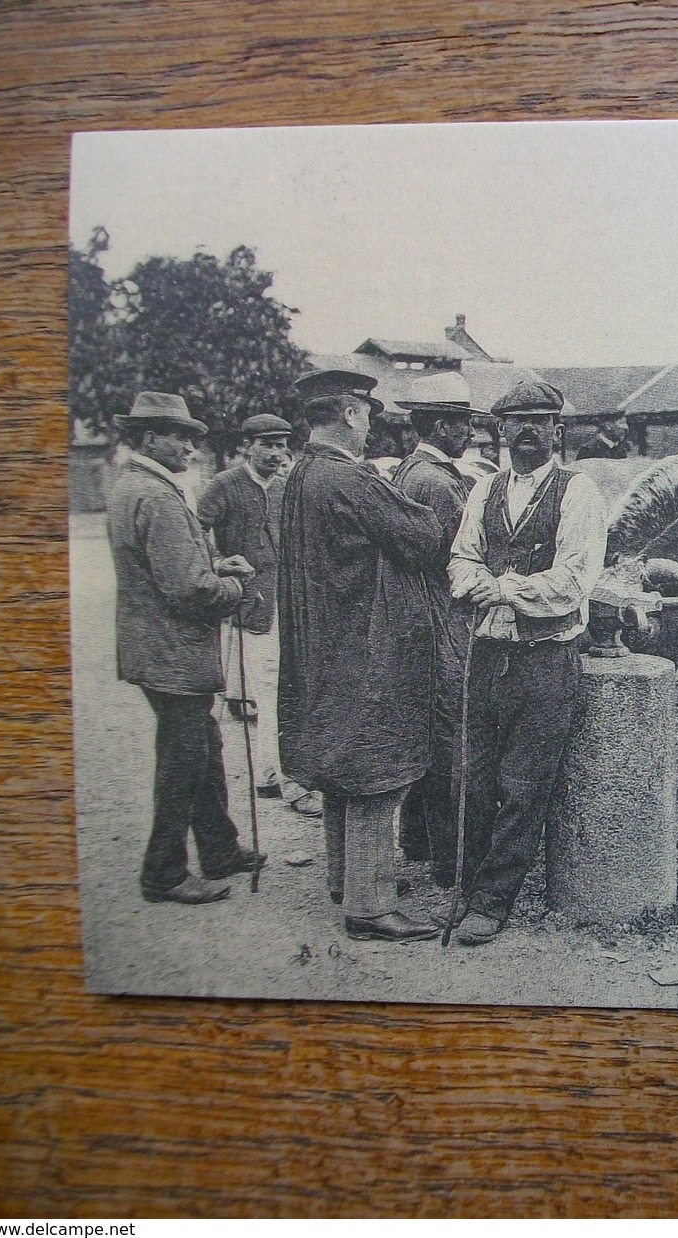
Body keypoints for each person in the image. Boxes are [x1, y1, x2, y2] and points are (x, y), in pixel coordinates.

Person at [277, 368, 443, 943]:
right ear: (349, 413)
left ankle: (346, 881)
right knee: (377, 768)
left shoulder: (303, 473)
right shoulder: (351, 479)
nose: (373, 424)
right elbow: (422, 540)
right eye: (368, 413)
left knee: (342, 766)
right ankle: (370, 907)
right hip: (366, 643)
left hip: (327, 644)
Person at [444, 378, 608, 947]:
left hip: (546, 657)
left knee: (522, 784)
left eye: (540, 421)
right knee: (475, 773)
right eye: (517, 422)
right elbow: (461, 558)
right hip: (488, 653)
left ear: (556, 430)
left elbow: (573, 580)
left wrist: (506, 589)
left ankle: (492, 901)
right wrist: (477, 586)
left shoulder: (577, 492)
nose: (528, 433)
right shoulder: (483, 491)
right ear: (500, 431)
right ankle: (466, 885)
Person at [106, 392, 267, 904]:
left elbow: (167, 570)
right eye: (181, 437)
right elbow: (187, 589)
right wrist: (233, 589)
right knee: (182, 760)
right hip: (172, 651)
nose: (192, 448)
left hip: (158, 647)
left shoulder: (137, 485)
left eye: (194, 438)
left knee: (203, 748)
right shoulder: (155, 494)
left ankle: (219, 848)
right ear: (149, 437)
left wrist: (217, 566)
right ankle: (165, 873)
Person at [196, 413, 322, 819]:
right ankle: (291, 783)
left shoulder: (289, 487)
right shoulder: (224, 486)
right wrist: (217, 562)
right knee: (271, 694)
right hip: (253, 607)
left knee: (287, 691)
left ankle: (269, 773)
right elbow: (194, 532)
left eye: (282, 444)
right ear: (247, 445)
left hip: (293, 602)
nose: (276, 453)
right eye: (267, 444)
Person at [391, 371, 478, 887]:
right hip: (447, 617)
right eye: (463, 424)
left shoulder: (410, 470)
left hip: (419, 619)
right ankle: (453, 858)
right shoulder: (440, 483)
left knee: (426, 734)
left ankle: (418, 838)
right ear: (442, 425)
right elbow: (458, 558)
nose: (469, 434)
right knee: (452, 738)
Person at [459, 416, 501, 482]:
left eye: (492, 444)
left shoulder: (490, 468)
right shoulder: (468, 470)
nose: (491, 447)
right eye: (482, 445)